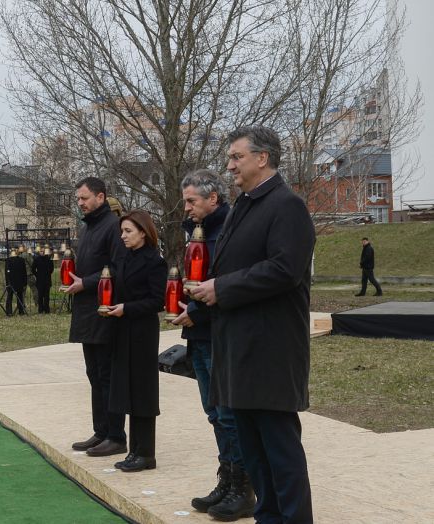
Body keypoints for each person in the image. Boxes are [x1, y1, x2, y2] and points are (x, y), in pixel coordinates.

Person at [191, 126, 315, 523]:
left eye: (236, 157)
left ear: (263, 158)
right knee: (255, 456)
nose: (229, 166)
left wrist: (221, 288)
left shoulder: (286, 205)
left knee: (280, 454)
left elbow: (285, 269)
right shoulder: (246, 205)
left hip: (270, 353)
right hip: (237, 350)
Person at [172, 169, 253, 519]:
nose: (187, 207)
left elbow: (225, 284)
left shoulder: (229, 230)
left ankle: (242, 487)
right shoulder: (196, 232)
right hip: (199, 334)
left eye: (192, 201)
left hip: (219, 331)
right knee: (213, 413)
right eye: (186, 200)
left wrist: (196, 312)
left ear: (213, 199)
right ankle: (225, 479)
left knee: (228, 414)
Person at [64, 176, 128, 457]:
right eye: (78, 198)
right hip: (86, 310)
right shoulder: (87, 228)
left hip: (105, 311)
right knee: (93, 373)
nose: (80, 203)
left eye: (84, 198)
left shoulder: (113, 227)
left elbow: (118, 268)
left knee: (107, 375)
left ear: (100, 197)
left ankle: (116, 435)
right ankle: (100, 431)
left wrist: (86, 283)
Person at [104, 210, 167, 472]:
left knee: (142, 391)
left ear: (143, 231)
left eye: (128, 231)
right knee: (126, 388)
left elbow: (157, 301)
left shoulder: (155, 261)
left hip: (142, 331)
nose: (123, 236)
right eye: (122, 232)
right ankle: (134, 451)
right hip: (122, 330)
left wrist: (126, 308)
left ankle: (146, 453)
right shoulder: (125, 258)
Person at [5, 248, 27, 316]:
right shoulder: (10, 260)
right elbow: (7, 272)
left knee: (15, 296)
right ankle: (15, 311)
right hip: (15, 281)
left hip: (15, 281)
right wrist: (24, 282)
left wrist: (24, 282)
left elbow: (24, 272)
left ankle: (13, 311)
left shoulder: (20, 260)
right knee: (13, 296)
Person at [32, 247, 54, 313]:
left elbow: (51, 269)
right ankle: (40, 309)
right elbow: (33, 269)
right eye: (41, 251)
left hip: (47, 280)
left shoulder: (49, 259)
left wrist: (47, 273)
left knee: (47, 296)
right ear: (39, 252)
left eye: (44, 251)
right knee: (40, 295)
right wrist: (37, 275)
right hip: (40, 280)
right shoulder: (36, 259)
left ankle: (47, 309)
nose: (42, 252)